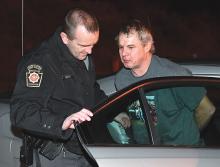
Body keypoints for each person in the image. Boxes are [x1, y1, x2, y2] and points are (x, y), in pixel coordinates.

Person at [10, 9, 107, 167]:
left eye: (93, 45)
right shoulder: (41, 62)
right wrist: (61, 122)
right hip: (56, 156)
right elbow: (21, 111)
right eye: (84, 45)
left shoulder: (83, 55)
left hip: (85, 150)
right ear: (65, 38)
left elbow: (91, 90)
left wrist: (114, 110)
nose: (90, 51)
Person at [114, 19, 216, 145]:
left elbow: (207, 110)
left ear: (147, 46)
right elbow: (136, 112)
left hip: (184, 156)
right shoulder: (121, 80)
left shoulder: (174, 76)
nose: (124, 53)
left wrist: (189, 136)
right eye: (121, 47)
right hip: (144, 155)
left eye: (130, 47)